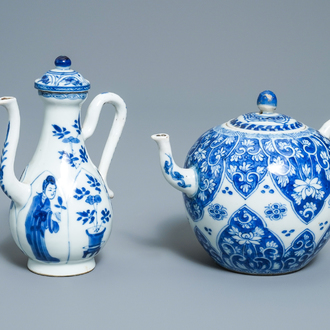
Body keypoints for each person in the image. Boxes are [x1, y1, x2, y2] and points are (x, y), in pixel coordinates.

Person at [25, 175, 60, 262]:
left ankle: (45, 257)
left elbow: (47, 214)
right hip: (34, 226)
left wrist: (52, 216)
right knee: (36, 243)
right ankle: (39, 256)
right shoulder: (36, 198)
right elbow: (31, 213)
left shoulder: (47, 201)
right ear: (44, 188)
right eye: (50, 190)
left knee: (42, 242)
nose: (52, 192)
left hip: (41, 228)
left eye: (54, 190)